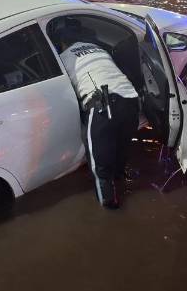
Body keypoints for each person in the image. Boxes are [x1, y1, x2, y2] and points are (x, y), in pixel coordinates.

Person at [56, 24, 139, 209]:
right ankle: (121, 179)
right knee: (120, 151)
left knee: (100, 166)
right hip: (131, 101)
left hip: (104, 106)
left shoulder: (62, 58)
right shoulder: (100, 50)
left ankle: (109, 209)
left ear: (62, 43)